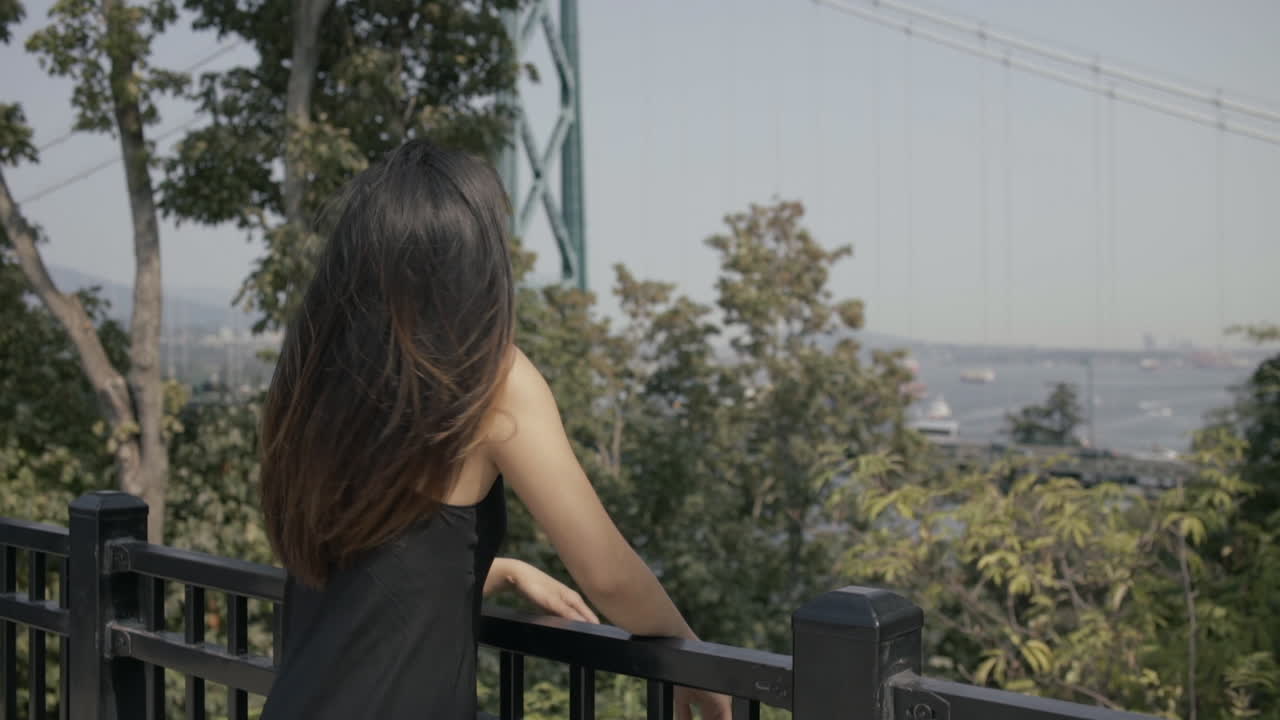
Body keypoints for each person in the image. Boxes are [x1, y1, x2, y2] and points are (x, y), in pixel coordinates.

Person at [257, 139, 731, 719]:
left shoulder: (315, 376)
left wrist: (494, 568)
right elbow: (605, 575)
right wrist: (692, 654)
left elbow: (368, 574)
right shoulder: (489, 380)